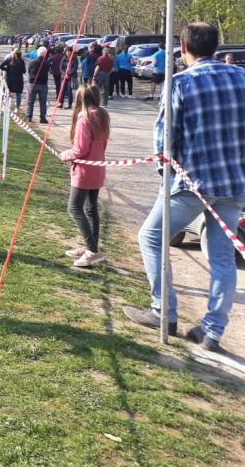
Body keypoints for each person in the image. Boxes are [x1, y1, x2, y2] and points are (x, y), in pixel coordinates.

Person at [123, 22, 245, 352]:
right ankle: (212, 331)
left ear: (184, 47)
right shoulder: (242, 78)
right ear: (216, 47)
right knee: (222, 256)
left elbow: (165, 140)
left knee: (151, 237)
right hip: (234, 185)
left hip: (194, 183)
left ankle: (163, 312)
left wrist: (166, 178)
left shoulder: (180, 83)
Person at [59, 84, 110, 267]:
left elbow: (80, 149)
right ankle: (91, 247)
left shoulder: (84, 119)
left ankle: (92, 250)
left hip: (84, 171)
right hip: (97, 169)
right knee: (90, 208)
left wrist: (65, 155)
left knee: (74, 208)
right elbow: (102, 145)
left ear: (80, 99)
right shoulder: (103, 115)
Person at [25, 46, 50, 124]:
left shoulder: (32, 62)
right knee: (43, 102)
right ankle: (42, 118)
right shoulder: (47, 63)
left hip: (32, 83)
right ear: (45, 54)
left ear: (37, 53)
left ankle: (29, 117)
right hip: (43, 84)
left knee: (30, 101)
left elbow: (29, 71)